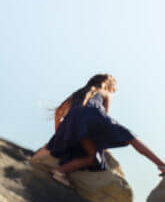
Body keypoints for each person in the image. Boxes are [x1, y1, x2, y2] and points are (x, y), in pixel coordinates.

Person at [32, 74, 165, 186]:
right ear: (109, 86)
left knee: (92, 157)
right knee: (131, 137)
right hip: (93, 116)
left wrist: (60, 132)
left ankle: (59, 171)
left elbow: (58, 113)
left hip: (72, 120)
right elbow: (105, 115)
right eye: (115, 89)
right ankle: (161, 164)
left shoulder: (79, 92)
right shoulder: (106, 93)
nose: (114, 92)